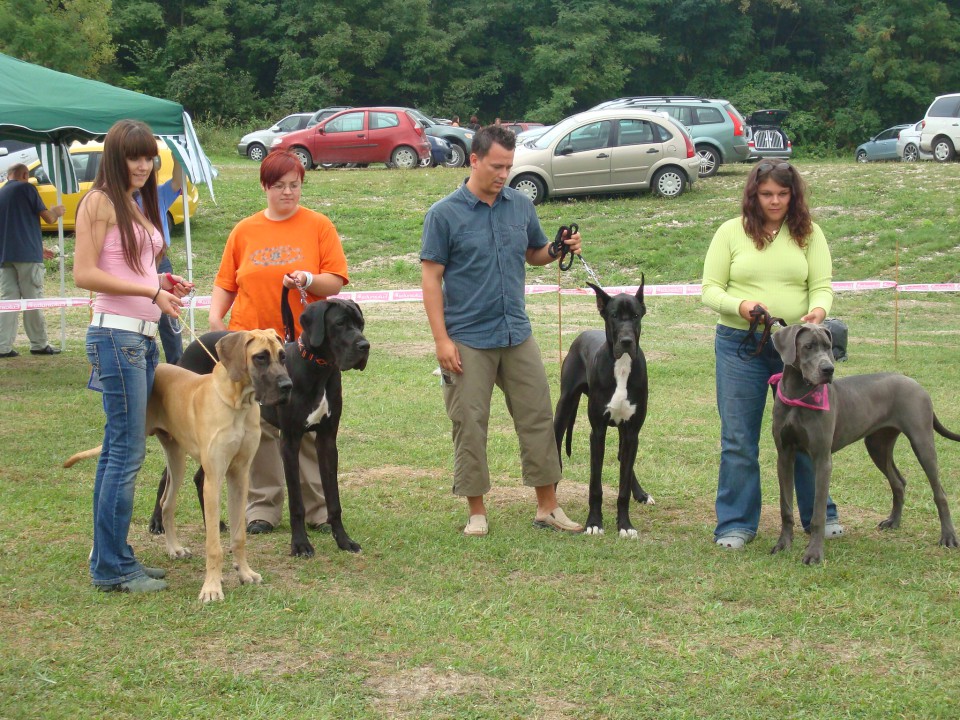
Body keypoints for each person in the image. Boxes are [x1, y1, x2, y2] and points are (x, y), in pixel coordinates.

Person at [420, 125, 584, 537]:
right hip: (467, 338)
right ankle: (476, 511)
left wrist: (558, 248)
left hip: (516, 333)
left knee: (539, 418)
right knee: (470, 423)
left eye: (509, 166)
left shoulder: (521, 206)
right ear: (473, 160)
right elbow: (431, 280)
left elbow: (534, 253)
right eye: (496, 165)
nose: (503, 174)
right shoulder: (443, 214)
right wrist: (441, 340)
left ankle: (547, 507)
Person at [73, 119, 193, 592]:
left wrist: (162, 284)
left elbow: (131, 267)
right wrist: (149, 288)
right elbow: (84, 273)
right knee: (124, 454)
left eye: (149, 156)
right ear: (115, 158)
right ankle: (113, 567)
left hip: (139, 338)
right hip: (116, 337)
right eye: (134, 156)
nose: (143, 165)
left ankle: (112, 557)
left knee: (119, 455)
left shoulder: (134, 203)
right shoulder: (99, 201)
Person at [701, 161, 842, 550]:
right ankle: (735, 523)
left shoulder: (809, 234)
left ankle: (819, 515)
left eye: (783, 194)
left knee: (808, 435)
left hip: (799, 352)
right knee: (739, 438)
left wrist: (818, 310)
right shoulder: (730, 233)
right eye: (766, 194)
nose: (775, 201)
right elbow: (709, 289)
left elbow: (823, 286)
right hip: (740, 345)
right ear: (753, 195)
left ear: (793, 195)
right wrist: (740, 304)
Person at [210, 149, 349, 535]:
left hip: (300, 346)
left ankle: (317, 508)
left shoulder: (319, 226)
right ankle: (263, 508)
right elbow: (226, 283)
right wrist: (215, 319)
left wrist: (307, 279)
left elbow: (335, 281)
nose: (288, 193)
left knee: (308, 425)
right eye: (279, 186)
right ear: (264, 186)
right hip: (252, 347)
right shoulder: (244, 230)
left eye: (295, 185)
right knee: (259, 425)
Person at [0, 163, 66, 358]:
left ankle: (3, 346)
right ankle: (39, 343)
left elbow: (13, 226)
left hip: (5, 255)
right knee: (32, 300)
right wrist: (56, 210)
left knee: (8, 302)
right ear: (24, 174)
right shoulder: (27, 188)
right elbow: (48, 218)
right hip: (27, 256)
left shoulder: (2, 193)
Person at [152, 157, 186, 365]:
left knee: (170, 319)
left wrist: (177, 154)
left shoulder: (159, 193)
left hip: (160, 261)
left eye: (153, 169)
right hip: (135, 263)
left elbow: (177, 180)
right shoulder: (123, 199)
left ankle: (177, 364)